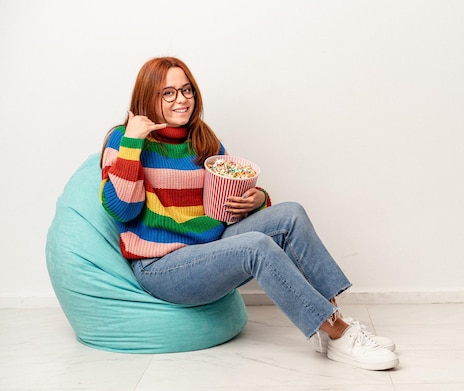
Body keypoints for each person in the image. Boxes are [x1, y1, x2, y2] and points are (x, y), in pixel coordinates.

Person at [100, 56, 399, 371]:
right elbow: (122, 208)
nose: (182, 100)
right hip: (161, 267)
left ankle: (332, 328)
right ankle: (339, 332)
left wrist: (257, 200)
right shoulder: (123, 139)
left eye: (187, 90)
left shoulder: (203, 138)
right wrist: (134, 141)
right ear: (149, 97)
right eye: (169, 93)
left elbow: (225, 202)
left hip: (208, 249)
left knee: (291, 213)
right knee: (255, 246)